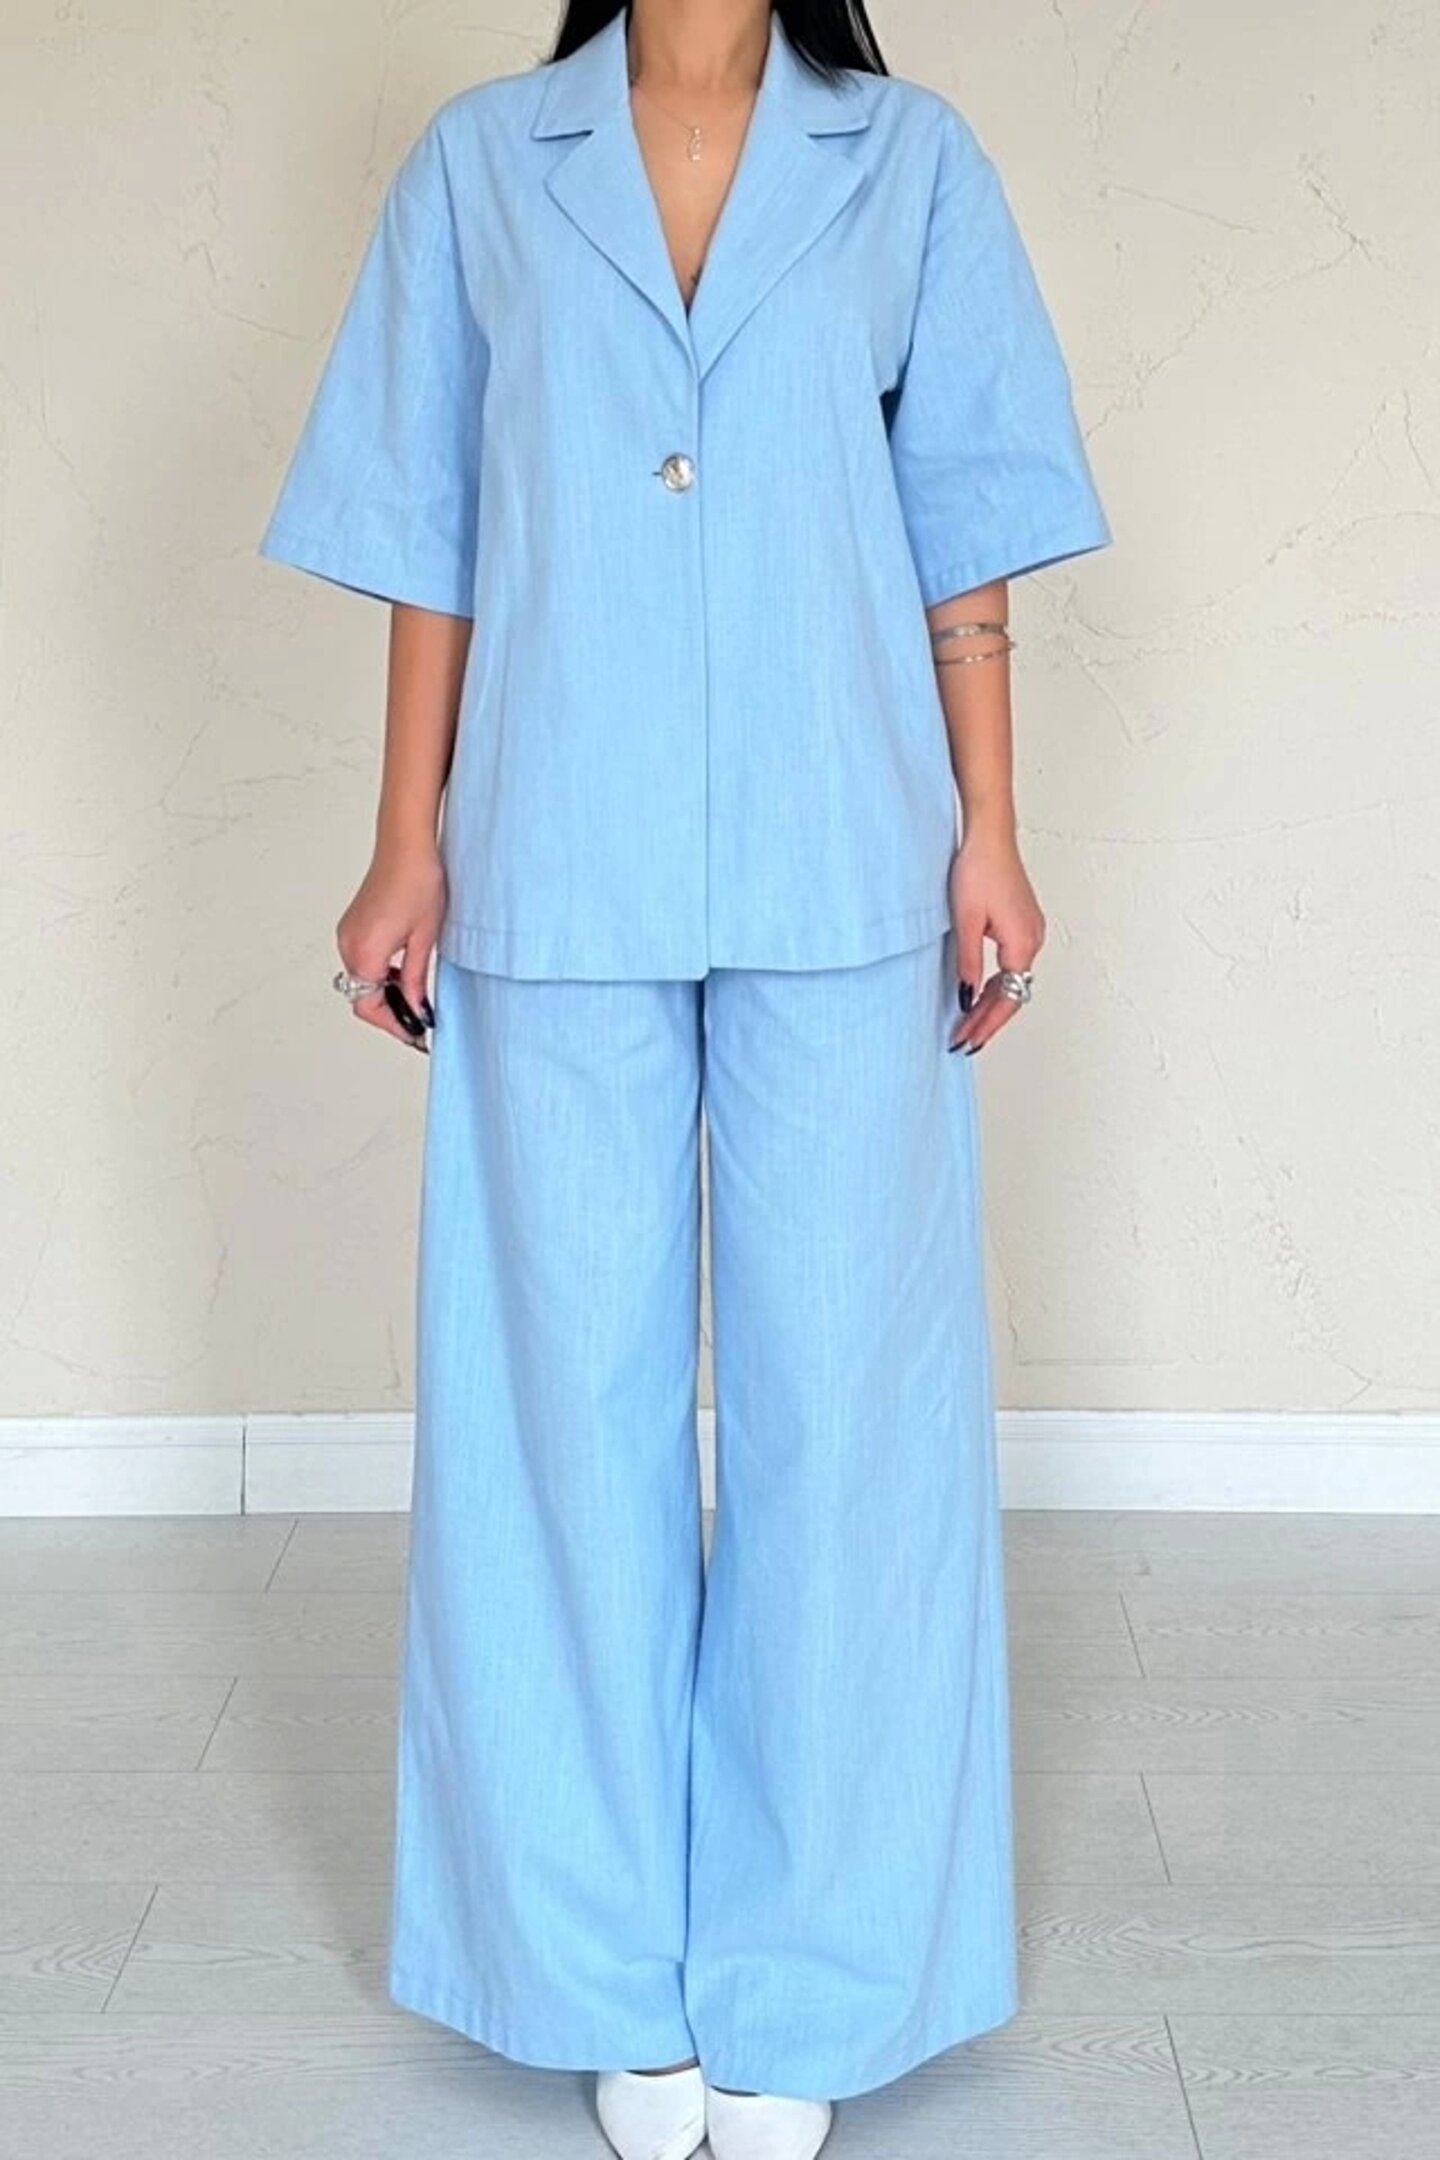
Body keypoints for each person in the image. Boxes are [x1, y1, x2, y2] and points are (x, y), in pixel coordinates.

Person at [257, 3, 1113, 2155]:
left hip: (849, 847)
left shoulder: (909, 164)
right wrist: (404, 837)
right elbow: (434, 528)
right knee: (559, 1416)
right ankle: (595, 1968)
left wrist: (991, 826)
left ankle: (811, 1973)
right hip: (556, 844)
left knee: (852, 1423)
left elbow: (963, 523)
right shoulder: (484, 163)